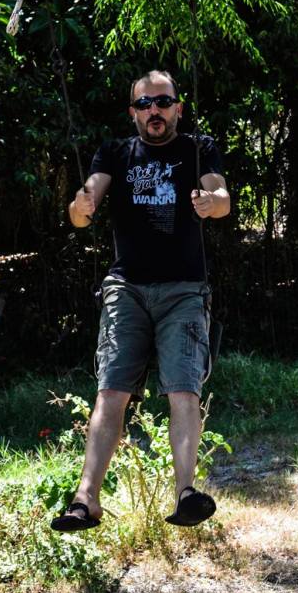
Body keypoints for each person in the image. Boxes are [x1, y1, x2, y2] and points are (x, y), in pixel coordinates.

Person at [51, 69, 230, 533]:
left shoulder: (198, 147)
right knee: (111, 390)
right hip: (126, 288)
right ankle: (85, 500)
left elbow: (221, 196)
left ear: (178, 108)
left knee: (183, 389)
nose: (155, 110)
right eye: (145, 104)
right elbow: (82, 209)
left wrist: (213, 202)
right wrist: (81, 208)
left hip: (184, 289)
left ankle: (186, 493)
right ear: (133, 112)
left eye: (163, 102)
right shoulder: (115, 151)